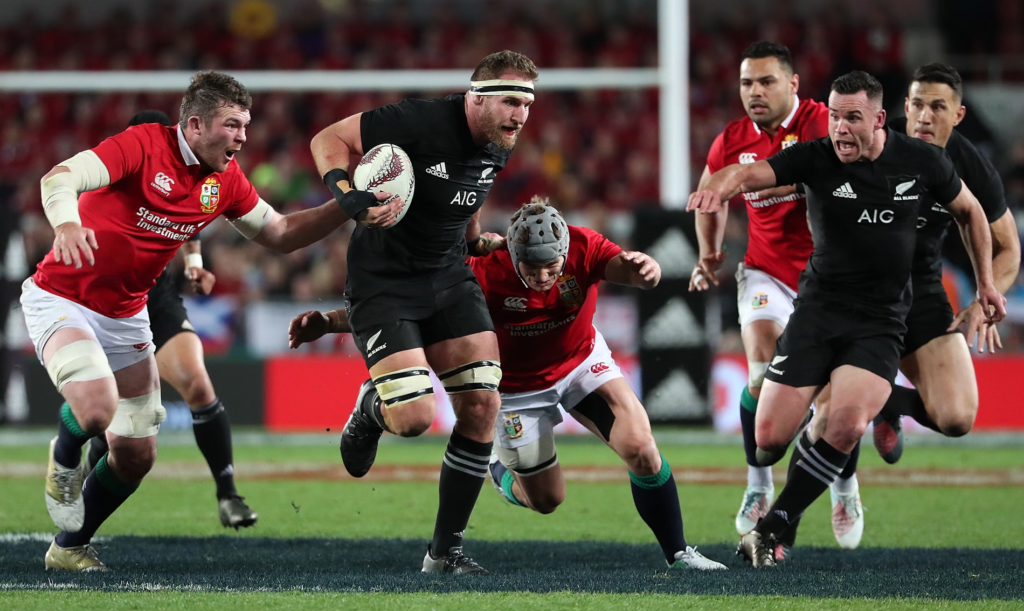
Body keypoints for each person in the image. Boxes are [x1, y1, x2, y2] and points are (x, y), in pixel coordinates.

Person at [29, 70, 400, 572]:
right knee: (95, 411)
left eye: (246, 125)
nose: (243, 137)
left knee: (137, 456)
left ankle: (69, 547)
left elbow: (280, 232)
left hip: (127, 313)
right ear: (196, 124)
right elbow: (59, 177)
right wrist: (67, 223)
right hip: (63, 297)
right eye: (232, 125)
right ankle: (65, 455)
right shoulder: (142, 144)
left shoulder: (224, 180)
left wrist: (344, 206)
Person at [289, 199, 729, 571]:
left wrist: (647, 269)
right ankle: (495, 468)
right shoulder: (482, 270)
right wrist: (329, 321)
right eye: (531, 268)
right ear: (511, 252)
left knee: (642, 449)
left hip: (581, 365)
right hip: (515, 392)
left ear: (565, 250)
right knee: (547, 500)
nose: (543, 277)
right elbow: (406, 306)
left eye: (551, 266)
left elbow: (627, 270)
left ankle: (679, 553)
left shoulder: (584, 246)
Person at [688, 70, 1005, 568]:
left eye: (852, 118)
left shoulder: (923, 160)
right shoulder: (816, 157)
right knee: (768, 442)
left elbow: (972, 213)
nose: (839, 128)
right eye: (834, 117)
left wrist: (986, 283)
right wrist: (717, 188)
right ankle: (872, 401)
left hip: (881, 319)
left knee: (848, 423)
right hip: (817, 313)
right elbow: (747, 174)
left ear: (878, 120)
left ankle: (772, 529)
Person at [308, 50, 538, 575]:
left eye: (527, 104)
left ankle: (443, 553)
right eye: (510, 101)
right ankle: (371, 409)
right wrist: (346, 195)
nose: (520, 115)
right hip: (384, 283)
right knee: (413, 420)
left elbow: (471, 192)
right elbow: (328, 139)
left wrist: (474, 240)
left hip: (450, 277)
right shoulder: (418, 119)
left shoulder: (498, 140)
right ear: (476, 97)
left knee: (482, 405)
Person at [689, 41, 866, 550]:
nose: (755, 92)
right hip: (765, 272)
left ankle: (845, 486)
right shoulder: (731, 140)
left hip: (828, 279)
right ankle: (758, 484)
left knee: (832, 400)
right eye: (747, 82)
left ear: (793, 84)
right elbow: (711, 193)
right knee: (761, 373)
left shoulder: (822, 124)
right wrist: (708, 253)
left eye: (766, 81)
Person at [814, 63, 1020, 462]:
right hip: (857, 293)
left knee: (957, 418)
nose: (925, 116)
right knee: (828, 418)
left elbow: (1008, 247)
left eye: (938, 107)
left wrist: (984, 298)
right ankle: (784, 499)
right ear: (905, 106)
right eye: (918, 105)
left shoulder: (970, 165)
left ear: (958, 115)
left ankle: (885, 400)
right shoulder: (871, 143)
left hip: (920, 293)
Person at [80, 110, 261, 530]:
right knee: (107, 414)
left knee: (197, 382)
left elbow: (188, 220)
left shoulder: (179, 175)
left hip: (154, 295)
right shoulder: (113, 171)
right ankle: (85, 467)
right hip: (102, 297)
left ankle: (228, 494)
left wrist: (194, 263)